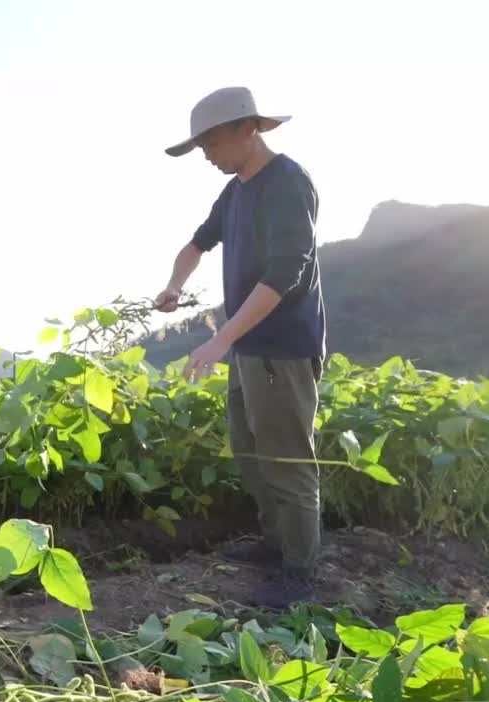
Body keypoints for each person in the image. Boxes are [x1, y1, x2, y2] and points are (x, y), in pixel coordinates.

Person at [154, 87, 326, 610]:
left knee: (288, 461)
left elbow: (285, 273)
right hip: (248, 349)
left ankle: (301, 572)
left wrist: (220, 339)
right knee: (250, 452)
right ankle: (275, 545)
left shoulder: (287, 183)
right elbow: (197, 243)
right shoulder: (235, 192)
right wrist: (175, 286)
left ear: (248, 129)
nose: (205, 154)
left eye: (210, 142)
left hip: (283, 348)